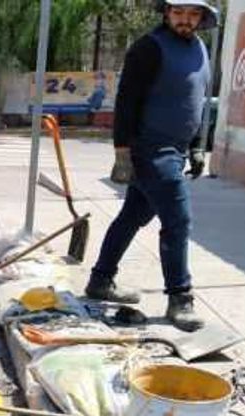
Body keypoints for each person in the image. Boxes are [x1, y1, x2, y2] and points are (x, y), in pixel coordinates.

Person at [86, 0, 217, 332]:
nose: (185, 20)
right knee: (178, 221)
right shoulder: (148, 48)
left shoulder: (200, 49)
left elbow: (197, 100)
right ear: (166, 12)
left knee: (132, 216)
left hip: (177, 150)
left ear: (202, 17)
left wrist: (197, 147)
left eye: (193, 14)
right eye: (178, 12)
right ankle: (180, 298)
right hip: (151, 150)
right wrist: (122, 152)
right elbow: (126, 101)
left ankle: (100, 280)